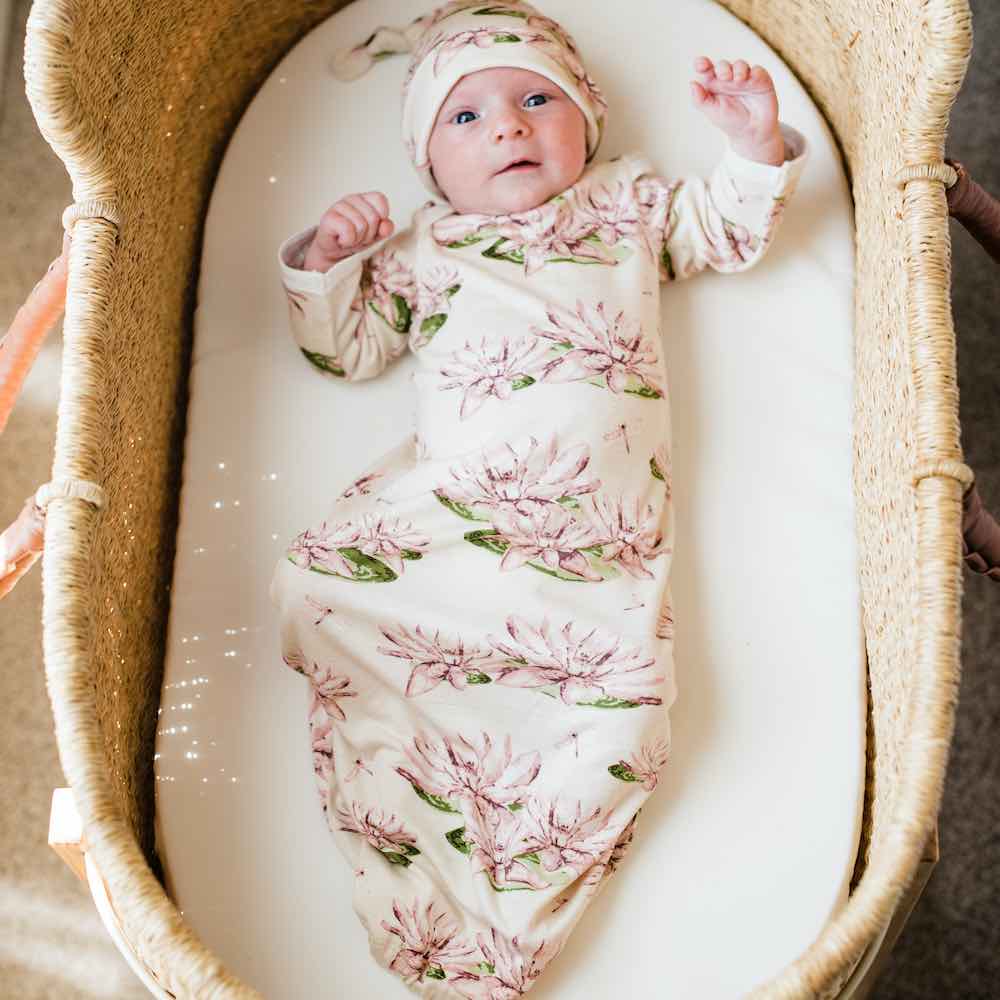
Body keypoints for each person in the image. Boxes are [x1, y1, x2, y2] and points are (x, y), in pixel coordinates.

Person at [269, 2, 808, 995]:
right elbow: (343, 349)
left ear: (589, 123)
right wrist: (323, 262)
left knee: (631, 717)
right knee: (330, 594)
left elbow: (724, 232)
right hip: (460, 522)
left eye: (534, 99)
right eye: (464, 118)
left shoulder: (627, 206)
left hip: (598, 558)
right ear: (427, 165)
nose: (508, 126)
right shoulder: (429, 250)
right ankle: (425, 882)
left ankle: (504, 923)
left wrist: (752, 142)